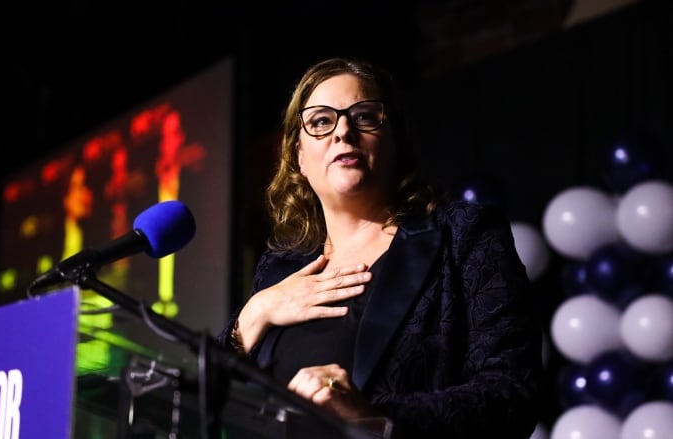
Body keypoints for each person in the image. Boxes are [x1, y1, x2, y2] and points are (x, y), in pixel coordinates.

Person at [217, 57, 542, 438]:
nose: (342, 131)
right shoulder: (278, 268)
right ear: (299, 156)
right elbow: (214, 402)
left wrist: (373, 418)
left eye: (364, 116)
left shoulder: (463, 236)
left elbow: (513, 392)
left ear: (396, 142)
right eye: (321, 121)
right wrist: (252, 316)